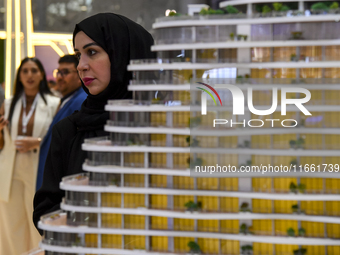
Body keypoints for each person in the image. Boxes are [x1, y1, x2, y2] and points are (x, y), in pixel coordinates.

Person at [33, 13, 155, 233]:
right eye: (79, 55)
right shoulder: (70, 130)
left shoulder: (164, 128)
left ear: (123, 54)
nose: (81, 66)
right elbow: (45, 210)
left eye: (92, 52)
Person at [0, 57, 60, 254]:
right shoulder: (8, 104)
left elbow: (57, 139)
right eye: (25, 71)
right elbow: (2, 144)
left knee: (37, 223)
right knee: (11, 227)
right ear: (19, 76)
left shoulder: (54, 103)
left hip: (38, 169)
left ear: (42, 74)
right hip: (10, 170)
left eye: (34, 70)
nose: (29, 75)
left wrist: (36, 142)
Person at [36, 55, 87, 191]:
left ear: (79, 74)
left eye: (66, 72)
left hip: (62, 182)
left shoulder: (80, 101)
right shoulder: (68, 99)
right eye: (58, 72)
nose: (60, 77)